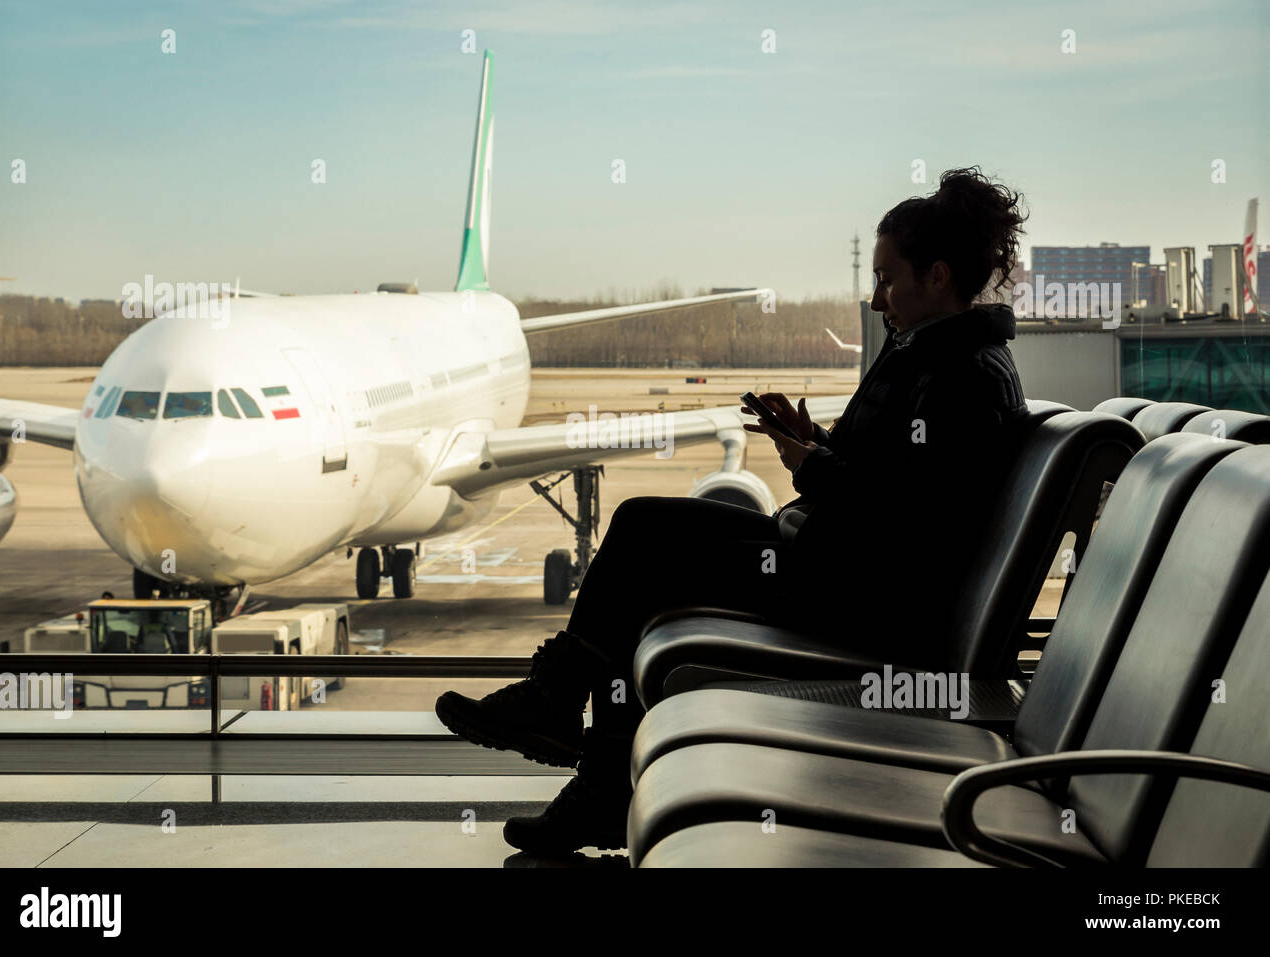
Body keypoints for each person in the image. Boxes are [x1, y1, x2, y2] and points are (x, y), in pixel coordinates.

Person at [435, 166, 1031, 855]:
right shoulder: (941, 356)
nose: (875, 299)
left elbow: (908, 523)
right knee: (640, 525)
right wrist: (816, 442)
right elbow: (901, 484)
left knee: (647, 557)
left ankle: (575, 741)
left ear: (937, 275)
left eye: (887, 279)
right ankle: (578, 746)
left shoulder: (962, 375)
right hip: (840, 562)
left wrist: (814, 466)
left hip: (863, 596)